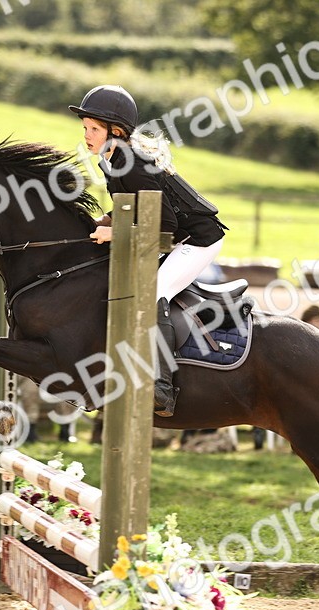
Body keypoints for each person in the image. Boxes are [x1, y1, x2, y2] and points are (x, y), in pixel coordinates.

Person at [70, 85, 228, 417]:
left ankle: (163, 387)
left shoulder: (132, 163)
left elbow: (164, 227)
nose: (86, 134)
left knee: (154, 293)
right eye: (85, 127)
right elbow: (129, 206)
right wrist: (96, 222)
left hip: (196, 239)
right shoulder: (111, 159)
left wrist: (113, 233)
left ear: (115, 131)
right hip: (172, 235)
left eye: (93, 128)